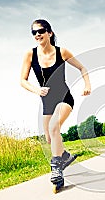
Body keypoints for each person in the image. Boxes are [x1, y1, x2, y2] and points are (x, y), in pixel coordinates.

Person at [20, 19, 91, 188]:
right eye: (34, 32)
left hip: (64, 97)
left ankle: (56, 168)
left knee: (54, 127)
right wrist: (37, 90)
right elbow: (22, 80)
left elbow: (82, 68)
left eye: (41, 31)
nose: (38, 34)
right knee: (49, 137)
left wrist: (87, 85)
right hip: (47, 100)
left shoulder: (62, 52)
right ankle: (64, 156)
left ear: (49, 33)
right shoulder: (30, 54)